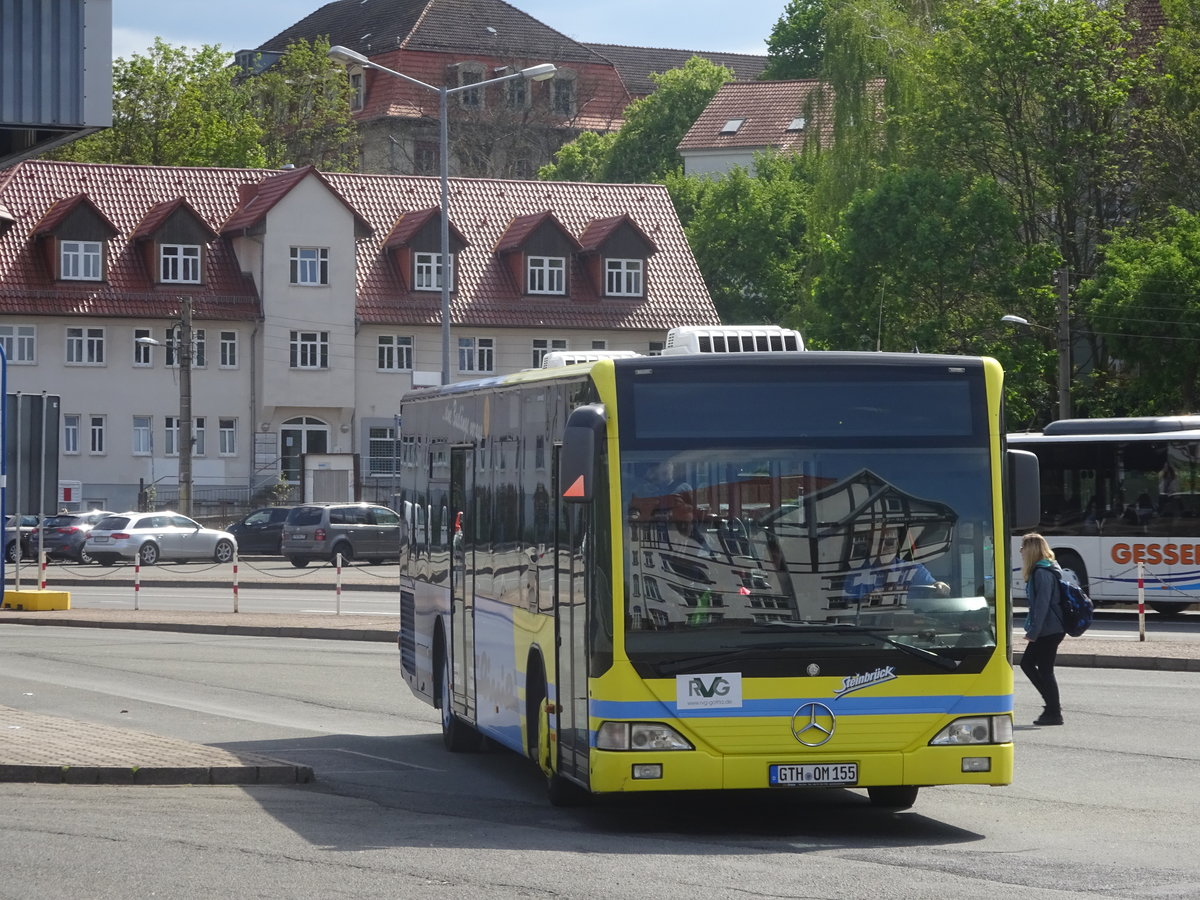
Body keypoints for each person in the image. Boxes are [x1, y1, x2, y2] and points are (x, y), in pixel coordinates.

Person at [1019, 532, 1066, 726]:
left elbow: (1042, 605)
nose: (1021, 551)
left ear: (1031, 549)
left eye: (1023, 547)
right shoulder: (1045, 569)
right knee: (1037, 667)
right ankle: (1052, 708)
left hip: (1049, 629)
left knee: (1033, 666)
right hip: (1051, 628)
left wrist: (1033, 632)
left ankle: (1054, 710)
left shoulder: (1042, 572)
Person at [845, 527, 950, 604]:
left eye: (889, 542)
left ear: (897, 544)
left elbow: (934, 586)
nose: (883, 548)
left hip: (909, 628)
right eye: (877, 542)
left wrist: (940, 586)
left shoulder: (914, 570)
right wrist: (869, 600)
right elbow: (848, 608)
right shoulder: (855, 574)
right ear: (868, 544)